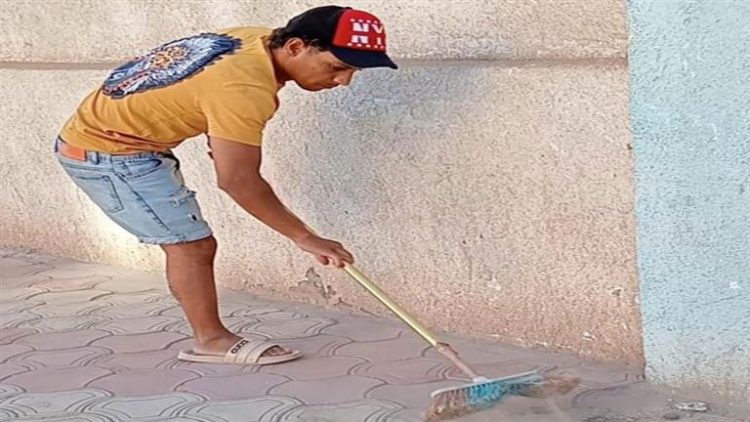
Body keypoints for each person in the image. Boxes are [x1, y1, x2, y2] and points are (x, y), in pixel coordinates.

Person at [54, 5, 397, 366]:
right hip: (109, 152)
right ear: (295, 47)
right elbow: (237, 180)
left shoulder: (255, 39)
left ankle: (210, 337)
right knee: (191, 246)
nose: (344, 81)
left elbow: (199, 88)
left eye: (353, 70)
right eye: (336, 67)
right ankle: (210, 341)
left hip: (111, 138)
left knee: (192, 243)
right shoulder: (244, 88)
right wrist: (304, 236)